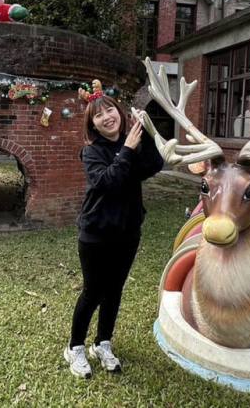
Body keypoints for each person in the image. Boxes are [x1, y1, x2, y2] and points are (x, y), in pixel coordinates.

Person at [64, 94, 164, 378]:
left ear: (120, 113)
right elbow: (108, 181)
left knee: (115, 290)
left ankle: (102, 343)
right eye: (99, 115)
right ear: (93, 124)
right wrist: (128, 150)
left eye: (110, 110)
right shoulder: (92, 151)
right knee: (93, 292)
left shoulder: (132, 142)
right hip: (95, 233)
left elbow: (154, 166)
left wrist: (146, 134)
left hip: (128, 232)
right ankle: (75, 348)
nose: (107, 117)